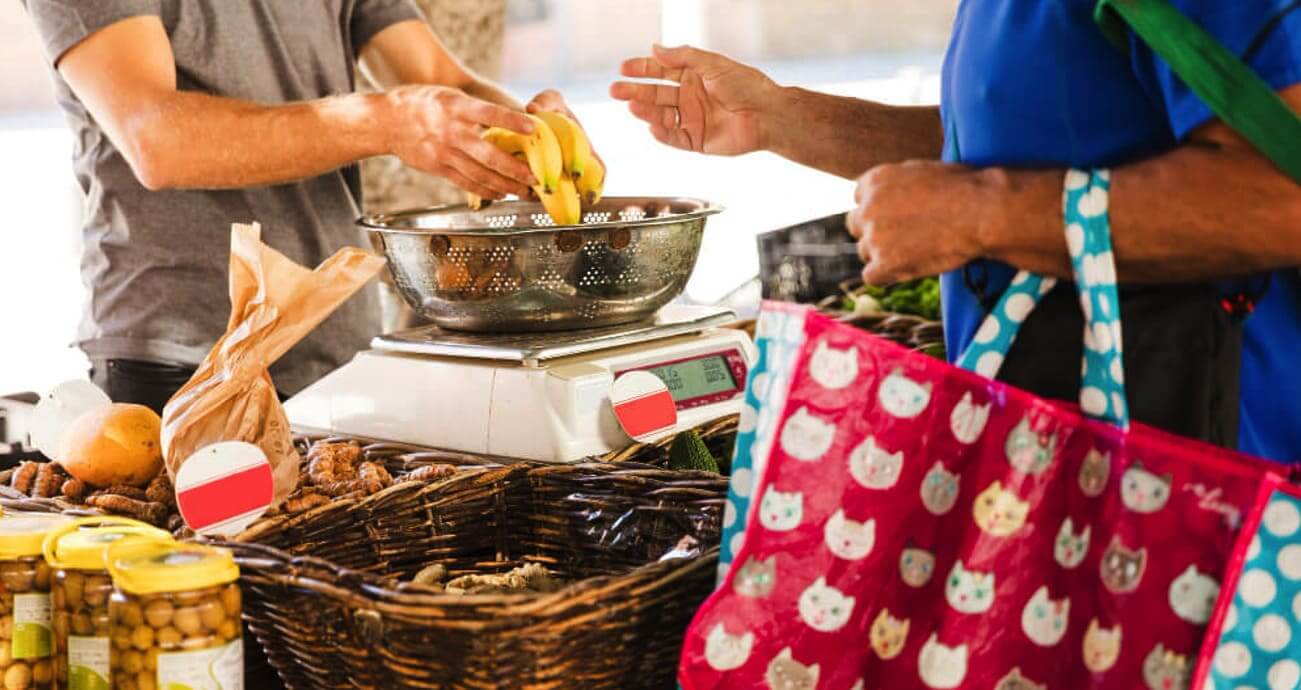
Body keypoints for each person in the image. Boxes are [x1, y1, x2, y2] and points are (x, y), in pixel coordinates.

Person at [612, 3, 1301, 464]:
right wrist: (779, 119)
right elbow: (1016, 139)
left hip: (1212, 474)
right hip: (1068, 461)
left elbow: (1281, 195)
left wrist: (983, 213)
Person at [21, 0, 584, 413]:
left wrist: (530, 131)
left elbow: (437, 77)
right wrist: (384, 120)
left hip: (334, 354)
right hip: (180, 363)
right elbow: (158, 138)